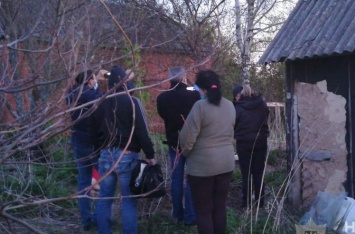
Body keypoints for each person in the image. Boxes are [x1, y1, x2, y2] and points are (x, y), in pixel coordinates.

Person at [89, 65, 156, 234]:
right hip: (126, 155)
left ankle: (103, 231)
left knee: (104, 198)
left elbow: (95, 132)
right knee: (129, 200)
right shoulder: (132, 102)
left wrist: (98, 154)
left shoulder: (100, 103)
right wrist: (150, 155)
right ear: (123, 82)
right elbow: (141, 131)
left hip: (105, 154)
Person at [179, 70, 236, 234]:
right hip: (226, 163)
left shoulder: (199, 106)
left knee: (203, 210)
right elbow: (230, 133)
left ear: (202, 89)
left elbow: (187, 138)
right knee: (219, 207)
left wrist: (186, 153)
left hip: (202, 167)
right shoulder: (230, 105)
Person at [156, 67, 199, 225]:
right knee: (191, 179)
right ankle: (190, 216)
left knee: (176, 179)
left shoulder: (162, 98)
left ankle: (177, 214)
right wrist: (190, 85)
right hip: (191, 142)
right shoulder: (193, 94)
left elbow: (163, 114)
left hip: (173, 142)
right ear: (183, 78)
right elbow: (199, 96)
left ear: (169, 79)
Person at [66, 70, 102, 231]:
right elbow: (101, 103)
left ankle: (86, 219)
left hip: (78, 140)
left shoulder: (71, 94)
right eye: (94, 79)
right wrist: (97, 89)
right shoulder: (90, 95)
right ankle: (100, 218)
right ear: (89, 82)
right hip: (93, 142)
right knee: (104, 180)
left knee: (83, 181)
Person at [232, 84, 269, 209]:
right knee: (259, 173)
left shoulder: (237, 108)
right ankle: (260, 203)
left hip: (244, 143)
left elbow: (233, 123)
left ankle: (245, 204)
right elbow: (266, 118)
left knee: (246, 173)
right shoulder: (262, 104)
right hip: (260, 142)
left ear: (239, 95)